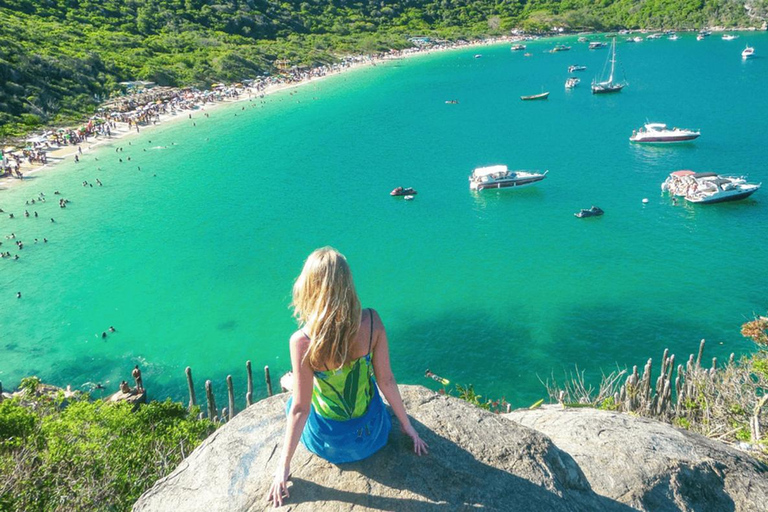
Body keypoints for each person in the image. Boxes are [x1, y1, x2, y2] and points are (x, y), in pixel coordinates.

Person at [267, 247, 427, 507]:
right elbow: (386, 380)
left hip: (330, 443)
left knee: (295, 397)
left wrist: (282, 468)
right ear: (348, 284)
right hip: (373, 433)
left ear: (309, 287)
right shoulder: (372, 321)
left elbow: (300, 409)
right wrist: (408, 427)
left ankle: (293, 383)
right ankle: (295, 383)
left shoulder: (302, 342)